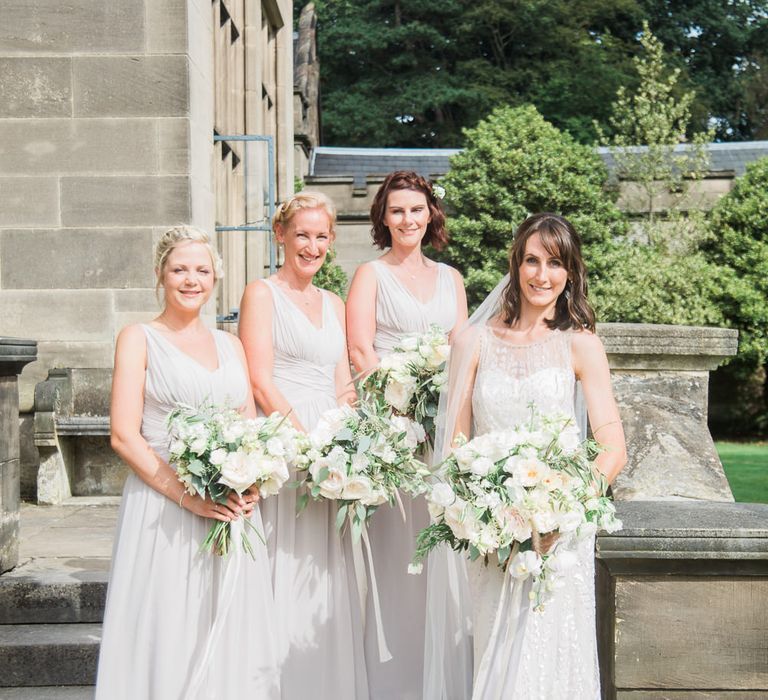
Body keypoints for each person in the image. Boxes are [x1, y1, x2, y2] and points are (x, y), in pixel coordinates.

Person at [427, 212, 627, 699]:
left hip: (561, 536)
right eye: (532, 261)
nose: (542, 275)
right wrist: (477, 513)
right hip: (491, 533)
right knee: (498, 654)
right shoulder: (472, 342)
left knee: (551, 657)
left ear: (571, 272)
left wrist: (561, 513)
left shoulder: (580, 345)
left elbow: (612, 449)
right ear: (515, 265)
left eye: (555, 263)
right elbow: (455, 444)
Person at [96, 225, 280, 699]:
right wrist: (187, 496)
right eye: (179, 269)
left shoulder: (230, 344)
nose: (191, 279)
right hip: (164, 506)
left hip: (228, 506)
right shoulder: (137, 338)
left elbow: (249, 425)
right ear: (161, 274)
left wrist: (251, 478)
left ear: (216, 277)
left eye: (202, 270)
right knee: (169, 619)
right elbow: (123, 435)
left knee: (228, 619)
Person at [238, 192, 368, 699]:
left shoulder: (334, 304)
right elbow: (260, 380)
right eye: (302, 235)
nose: (311, 246)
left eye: (321, 237)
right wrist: (306, 447)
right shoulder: (261, 294)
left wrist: (351, 445)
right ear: (281, 236)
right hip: (284, 442)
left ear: (330, 242)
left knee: (326, 568)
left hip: (331, 449)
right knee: (285, 559)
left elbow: (345, 385)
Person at [346, 171, 468, 699]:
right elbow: (358, 351)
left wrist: (446, 410)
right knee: (399, 556)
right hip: (393, 436)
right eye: (397, 211)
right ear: (383, 218)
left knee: (445, 551)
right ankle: (392, 683)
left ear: (430, 215)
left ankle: (442, 676)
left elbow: (463, 355)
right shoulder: (369, 275)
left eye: (416, 210)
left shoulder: (452, 279)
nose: (408, 220)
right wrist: (399, 403)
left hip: (442, 437)